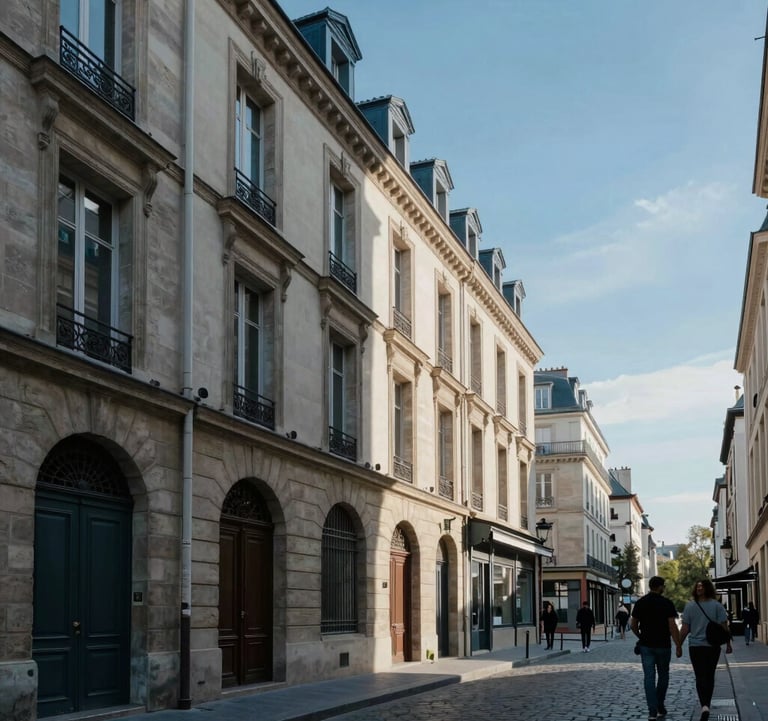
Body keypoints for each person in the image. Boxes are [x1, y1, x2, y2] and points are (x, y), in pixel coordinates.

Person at [630, 575, 681, 721]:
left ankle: (652, 710)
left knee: (649, 678)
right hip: (663, 645)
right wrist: (678, 645)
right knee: (663, 675)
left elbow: (633, 624)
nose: (664, 588)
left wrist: (640, 636)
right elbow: (672, 626)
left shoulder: (641, 603)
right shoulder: (666, 603)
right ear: (659, 587)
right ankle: (660, 705)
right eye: (663, 586)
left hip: (646, 645)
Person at [680, 579, 732, 721]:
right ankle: (706, 705)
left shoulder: (691, 606)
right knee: (708, 675)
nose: (699, 588)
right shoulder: (716, 606)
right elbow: (685, 629)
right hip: (709, 647)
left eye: (701, 586)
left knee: (702, 675)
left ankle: (704, 705)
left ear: (707, 588)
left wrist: (679, 645)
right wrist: (678, 644)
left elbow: (724, 627)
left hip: (699, 647)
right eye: (697, 586)